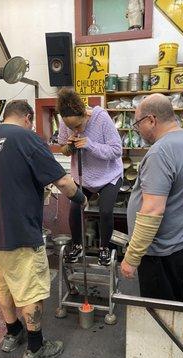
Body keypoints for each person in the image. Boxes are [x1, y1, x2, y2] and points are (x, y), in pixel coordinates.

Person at [0, 100, 86, 358]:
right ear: (27, 117)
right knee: (30, 290)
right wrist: (81, 198)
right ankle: (35, 348)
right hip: (19, 233)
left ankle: (13, 334)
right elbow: (62, 181)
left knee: (3, 287)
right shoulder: (27, 138)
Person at [121, 94, 183, 301]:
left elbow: (152, 210)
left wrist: (132, 258)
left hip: (162, 253)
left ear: (151, 120)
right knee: (174, 305)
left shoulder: (160, 152)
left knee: (158, 316)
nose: (137, 129)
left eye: (137, 123)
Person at [57, 89, 123, 266]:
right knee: (74, 209)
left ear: (85, 114)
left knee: (106, 210)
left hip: (109, 175)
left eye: (78, 126)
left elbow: (117, 150)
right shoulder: (66, 121)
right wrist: (70, 146)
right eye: (72, 128)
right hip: (83, 176)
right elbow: (62, 148)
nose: (76, 130)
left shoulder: (101, 117)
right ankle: (78, 245)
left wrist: (90, 145)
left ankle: (104, 249)